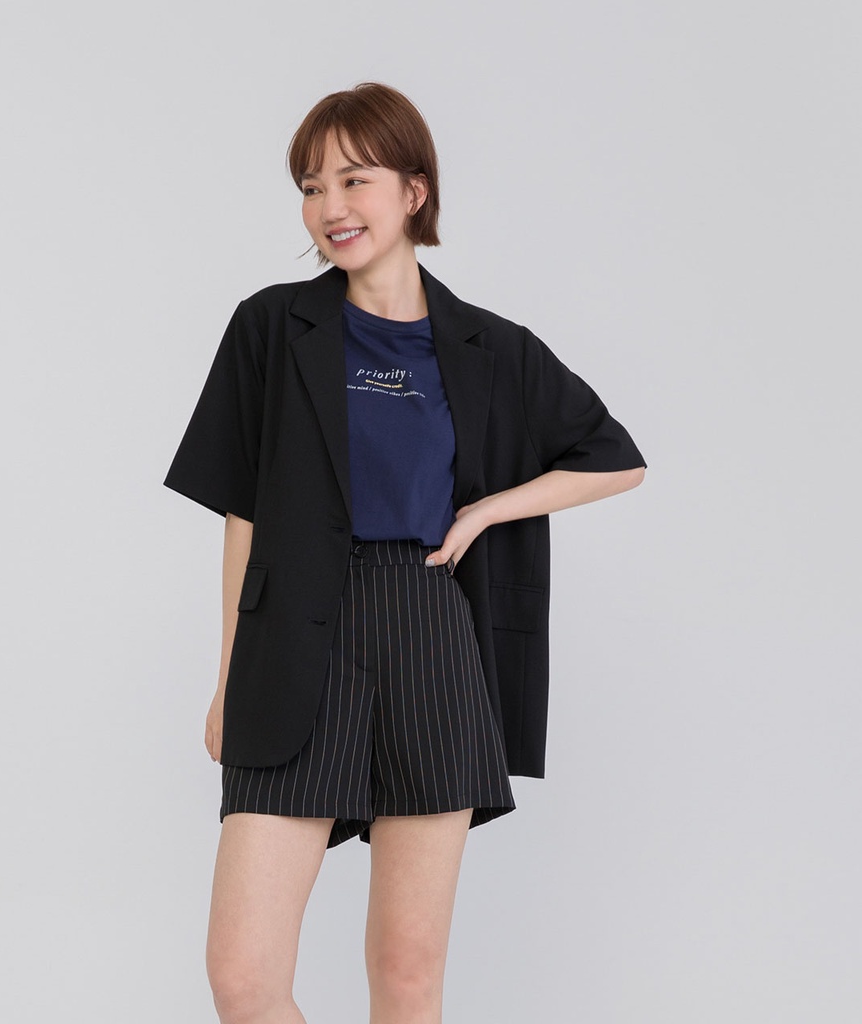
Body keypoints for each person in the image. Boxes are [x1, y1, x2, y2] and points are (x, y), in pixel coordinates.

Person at [164, 81, 646, 1024]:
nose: (330, 207)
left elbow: (616, 459)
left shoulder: (488, 346)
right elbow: (243, 515)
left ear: (414, 190)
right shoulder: (273, 327)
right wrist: (228, 678)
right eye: (311, 186)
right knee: (244, 978)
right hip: (294, 636)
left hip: (429, 629)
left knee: (408, 974)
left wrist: (488, 511)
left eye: (355, 179)